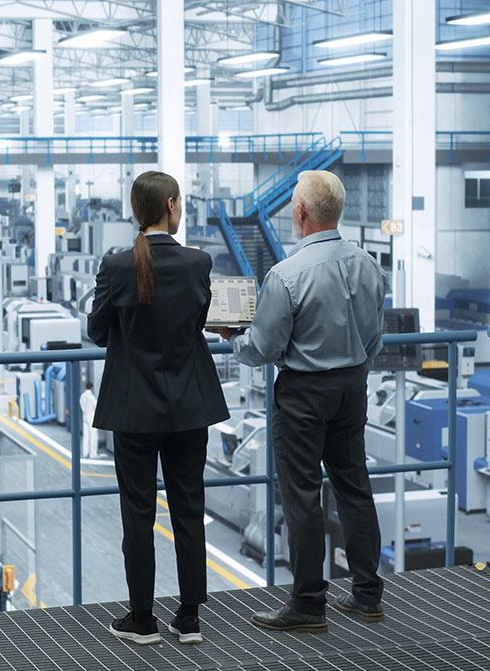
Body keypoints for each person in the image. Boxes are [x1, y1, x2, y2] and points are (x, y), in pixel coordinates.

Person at [213, 169, 386, 633]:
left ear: (302, 211)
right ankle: (368, 595)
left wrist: (233, 337)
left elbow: (262, 349)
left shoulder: (286, 275)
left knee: (302, 497)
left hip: (305, 396)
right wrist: (352, 371)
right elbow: (375, 338)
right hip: (352, 388)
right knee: (354, 487)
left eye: (293, 202)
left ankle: (309, 604)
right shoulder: (369, 264)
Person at [88, 170, 230, 646]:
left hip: (134, 410)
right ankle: (189, 617)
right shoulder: (198, 262)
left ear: (138, 209)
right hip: (189, 406)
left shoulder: (117, 265)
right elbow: (201, 319)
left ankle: (142, 618)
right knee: (189, 508)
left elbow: (96, 330)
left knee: (138, 513)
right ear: (171, 205)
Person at [79, 382, 100, 458]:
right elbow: (96, 405)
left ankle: (85, 453)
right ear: (92, 387)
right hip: (91, 416)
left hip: (85, 416)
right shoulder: (91, 396)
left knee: (86, 435)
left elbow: (81, 405)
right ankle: (93, 454)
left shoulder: (82, 396)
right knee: (93, 435)